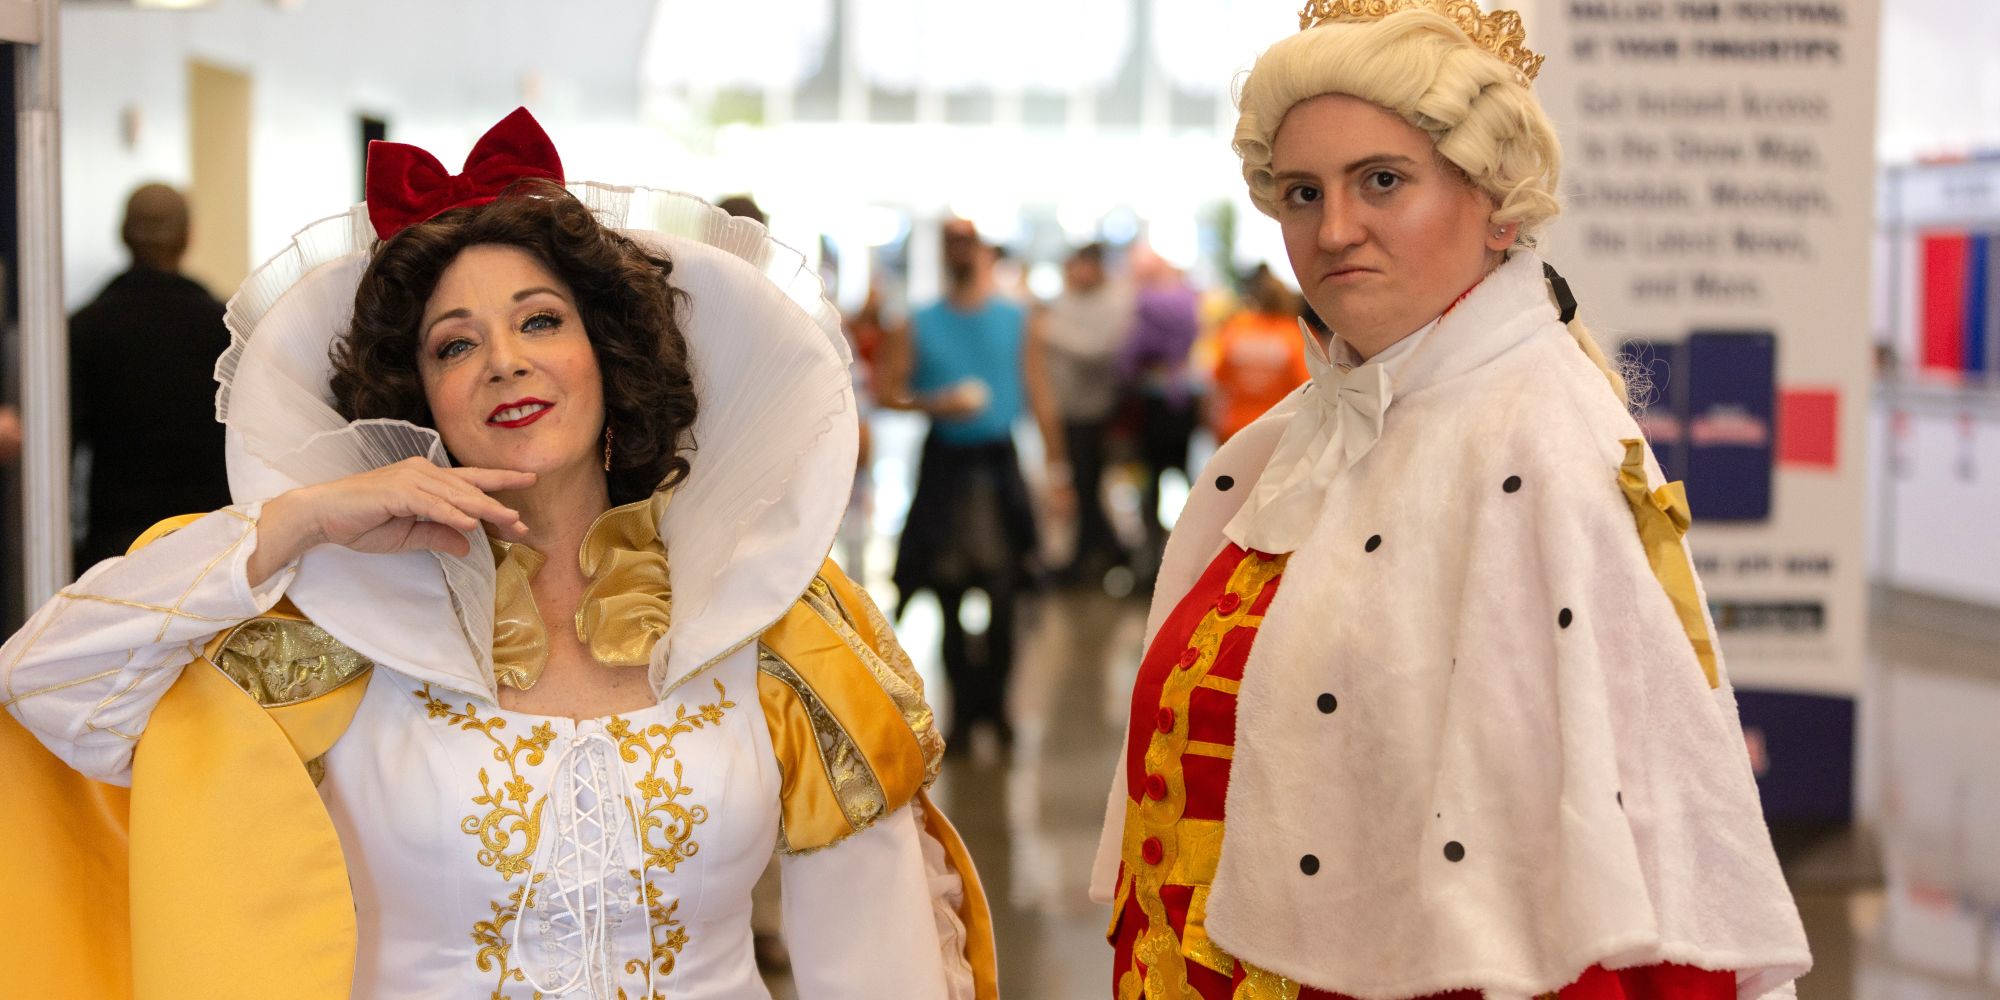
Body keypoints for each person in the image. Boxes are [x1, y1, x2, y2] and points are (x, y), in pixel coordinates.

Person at [4, 108, 995, 1000]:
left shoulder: (764, 612)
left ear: (608, 356)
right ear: (417, 400)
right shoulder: (334, 624)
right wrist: (301, 520)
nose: (504, 360)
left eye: (540, 320)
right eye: (454, 344)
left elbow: (880, 962)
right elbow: (46, 685)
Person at [1092, 5, 1810, 999]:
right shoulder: (1280, 447)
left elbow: (1597, 883)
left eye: (1382, 180)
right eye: (1302, 192)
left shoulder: (1544, 449)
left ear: (1497, 204)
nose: (1333, 230)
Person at [878, 218, 1071, 749]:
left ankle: (998, 709)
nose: (960, 251)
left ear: (984, 250)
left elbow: (1038, 391)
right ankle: (964, 713)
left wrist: (1059, 473)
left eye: (967, 241)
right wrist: (935, 403)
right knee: (947, 592)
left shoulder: (1017, 318)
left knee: (1007, 589)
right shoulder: (916, 321)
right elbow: (888, 391)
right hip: (945, 465)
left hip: (997, 463)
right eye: (951, 242)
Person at [69, 183, 234, 566]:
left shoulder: (84, 327)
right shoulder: (225, 327)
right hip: (209, 542)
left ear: (123, 235)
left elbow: (66, 445)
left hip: (114, 548)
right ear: (188, 236)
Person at [1037, 242, 1134, 583]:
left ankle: (1100, 553)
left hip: (1096, 409)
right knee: (1081, 483)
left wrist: (1049, 332)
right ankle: (1106, 550)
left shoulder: (1116, 301)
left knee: (1087, 482)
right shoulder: (1065, 300)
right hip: (1066, 406)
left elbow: (1098, 350)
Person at [1117, 245, 1203, 572]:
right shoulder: (1189, 299)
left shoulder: (1146, 304)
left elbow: (1129, 357)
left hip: (1153, 402)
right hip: (1184, 399)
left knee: (1151, 480)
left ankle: (1152, 557)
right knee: (1186, 474)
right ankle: (1195, 548)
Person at [1207, 263, 1310, 444]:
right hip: (1277, 432)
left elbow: (1217, 383)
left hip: (1234, 429)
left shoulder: (1236, 329)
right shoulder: (1296, 336)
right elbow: (1307, 389)